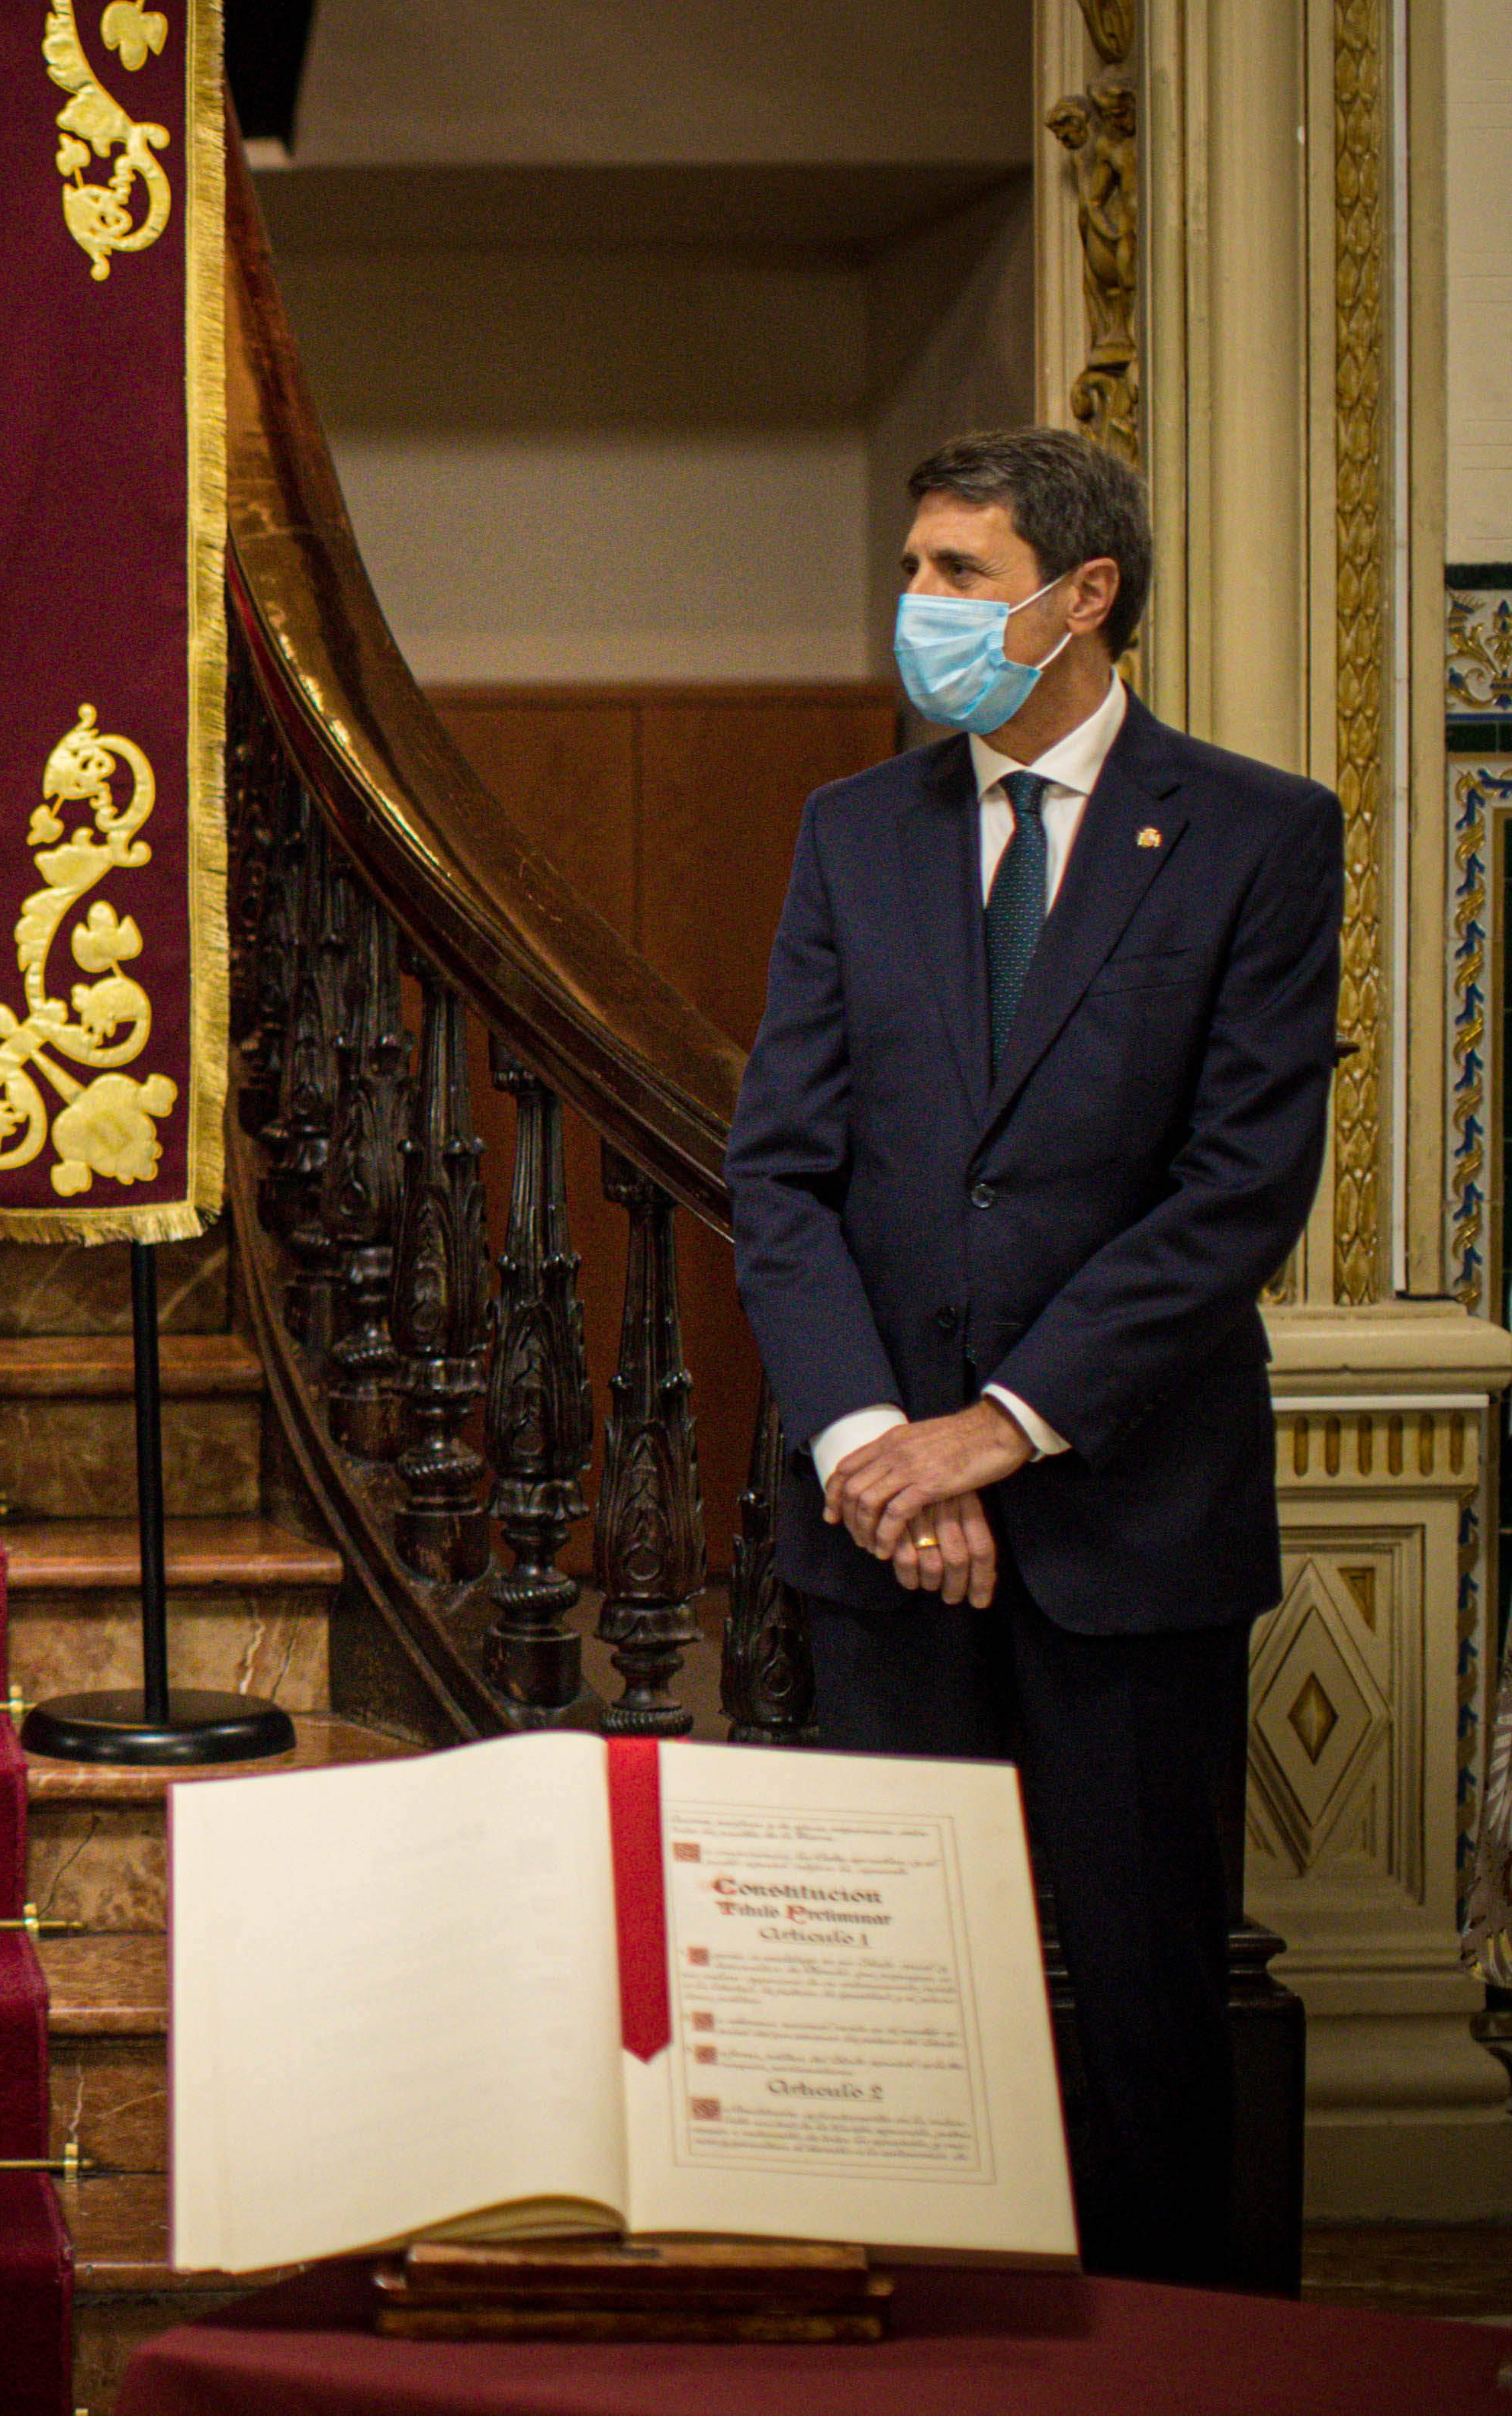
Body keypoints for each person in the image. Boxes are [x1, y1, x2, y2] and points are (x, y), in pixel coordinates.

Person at [729, 425, 1343, 2283]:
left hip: (1127, 1518)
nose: (913, 605)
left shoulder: (1256, 833)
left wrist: (994, 1432)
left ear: (1082, 596)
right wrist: (873, 1444)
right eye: (910, 568)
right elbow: (780, 1170)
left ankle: (1177, 2367)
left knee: (1148, 2009)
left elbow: (1235, 1190)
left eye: (955, 573)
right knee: (892, 2014)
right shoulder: (851, 829)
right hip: (878, 1533)